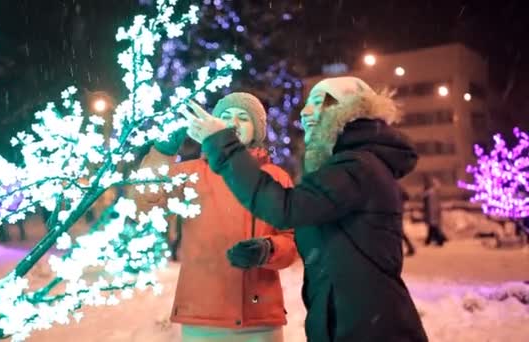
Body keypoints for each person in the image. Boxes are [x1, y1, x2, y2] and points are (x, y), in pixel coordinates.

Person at [183, 77, 428, 341]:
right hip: (350, 320)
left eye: (320, 101)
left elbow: (285, 209)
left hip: (367, 327)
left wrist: (224, 145)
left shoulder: (356, 167)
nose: (305, 111)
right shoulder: (352, 165)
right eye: (307, 102)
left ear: (351, 110)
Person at [131, 92, 298, 342]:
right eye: (224, 117)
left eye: (243, 117)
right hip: (203, 317)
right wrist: (162, 152)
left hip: (259, 318)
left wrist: (268, 249)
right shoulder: (190, 174)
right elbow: (144, 203)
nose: (233, 123)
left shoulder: (275, 177)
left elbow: (292, 240)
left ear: (257, 130)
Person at [422, 176, 448, 246]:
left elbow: (432, 205)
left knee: (433, 227)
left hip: (432, 213)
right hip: (433, 213)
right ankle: (431, 240)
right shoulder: (433, 193)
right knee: (433, 227)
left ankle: (438, 240)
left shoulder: (431, 193)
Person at [400, 186, 416, 256]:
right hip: (399, 212)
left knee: (401, 232)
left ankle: (411, 248)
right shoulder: (399, 187)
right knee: (401, 232)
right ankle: (411, 248)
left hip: (398, 213)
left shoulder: (398, 188)